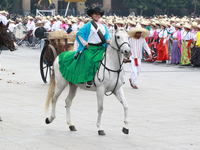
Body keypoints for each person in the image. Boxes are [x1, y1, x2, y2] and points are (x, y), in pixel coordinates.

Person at [58, 7, 111, 87]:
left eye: (99, 14)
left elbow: (107, 35)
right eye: (96, 14)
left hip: (100, 48)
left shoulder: (103, 26)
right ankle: (89, 79)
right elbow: (79, 34)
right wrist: (85, 43)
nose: (97, 16)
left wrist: (108, 39)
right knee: (89, 58)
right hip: (90, 48)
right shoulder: (88, 25)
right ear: (92, 15)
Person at [127, 23, 152, 89]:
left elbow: (146, 46)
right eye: (137, 33)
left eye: (140, 33)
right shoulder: (130, 39)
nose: (139, 34)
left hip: (139, 56)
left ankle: (132, 79)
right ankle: (134, 84)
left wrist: (149, 53)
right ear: (135, 33)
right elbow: (126, 46)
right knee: (134, 70)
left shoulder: (142, 39)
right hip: (132, 56)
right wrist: (125, 56)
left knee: (138, 70)